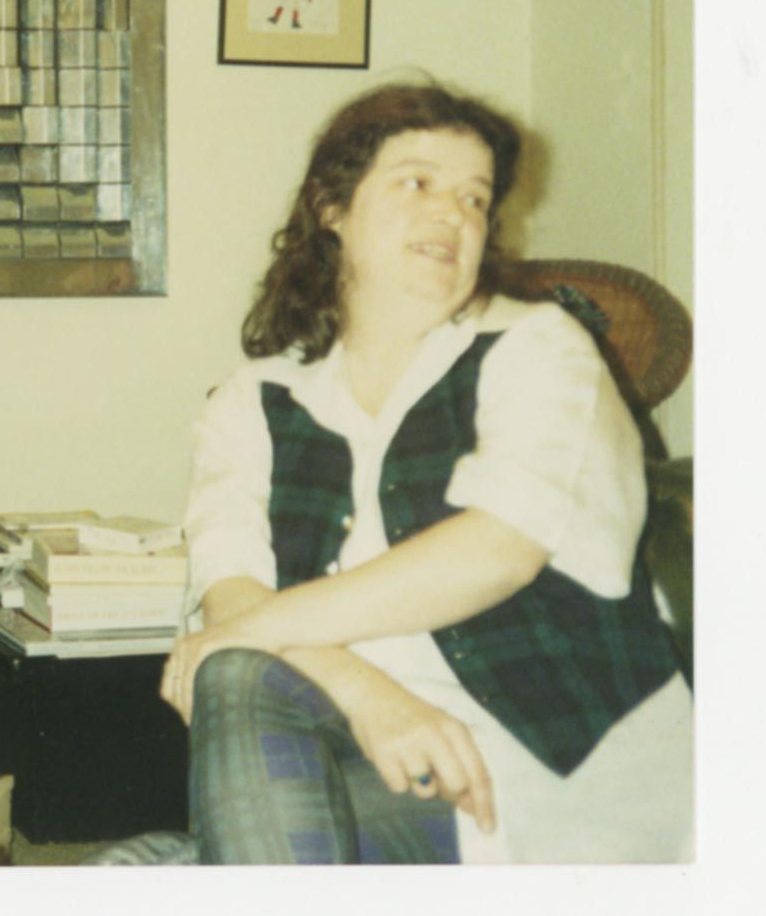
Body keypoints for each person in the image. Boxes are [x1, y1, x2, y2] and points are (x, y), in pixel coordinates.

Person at [160, 81, 692, 863]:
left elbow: (496, 547)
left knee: (153, 859)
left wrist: (248, 635)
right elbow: (232, 588)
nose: (453, 212)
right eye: (417, 181)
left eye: (475, 198)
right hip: (359, 741)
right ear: (330, 208)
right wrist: (372, 696)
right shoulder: (252, 400)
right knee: (237, 677)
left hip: (540, 774)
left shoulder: (540, 349)